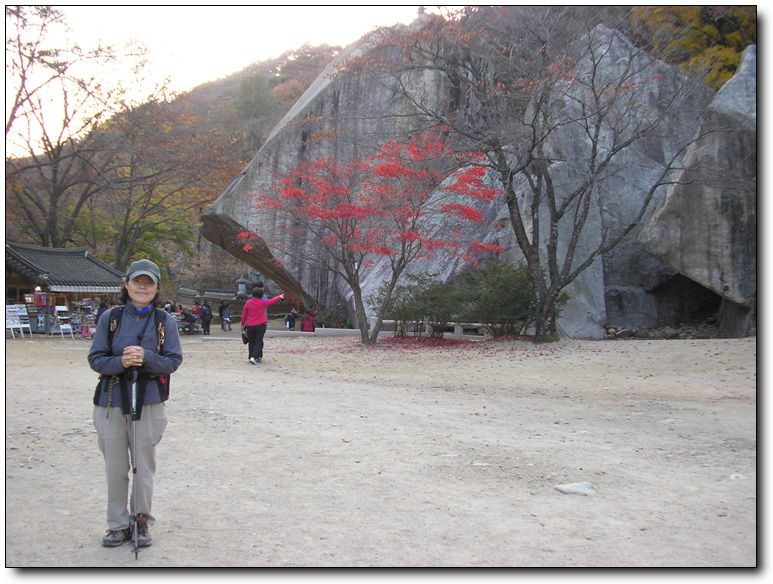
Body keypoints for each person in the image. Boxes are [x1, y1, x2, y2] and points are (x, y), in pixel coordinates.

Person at [87, 259, 183, 549]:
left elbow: (173, 361)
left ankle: (141, 522)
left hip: (149, 400)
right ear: (126, 284)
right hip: (111, 400)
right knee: (115, 466)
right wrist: (121, 362)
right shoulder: (110, 317)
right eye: (137, 281)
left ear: (156, 289)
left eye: (149, 283)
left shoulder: (164, 321)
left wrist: (147, 358)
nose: (142, 287)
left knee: (144, 465)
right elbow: (95, 358)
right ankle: (117, 525)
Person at [241, 286, 285, 364]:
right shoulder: (263, 302)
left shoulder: (248, 303)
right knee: (258, 340)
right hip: (261, 324)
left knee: (251, 341)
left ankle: (251, 356)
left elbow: (244, 314)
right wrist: (279, 297)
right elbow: (271, 301)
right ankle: (255, 357)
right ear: (261, 295)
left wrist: (242, 324)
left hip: (250, 324)